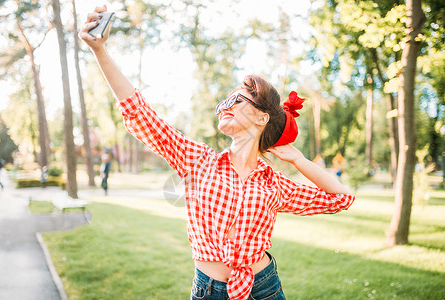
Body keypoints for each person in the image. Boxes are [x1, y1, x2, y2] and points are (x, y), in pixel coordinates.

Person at [79, 6, 355, 300]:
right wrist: (100, 52)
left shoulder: (274, 183)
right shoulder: (197, 161)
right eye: (224, 101)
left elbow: (341, 198)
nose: (225, 106)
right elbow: (139, 113)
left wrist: (299, 160)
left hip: (264, 288)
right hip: (209, 290)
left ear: (262, 118)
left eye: (236, 99)